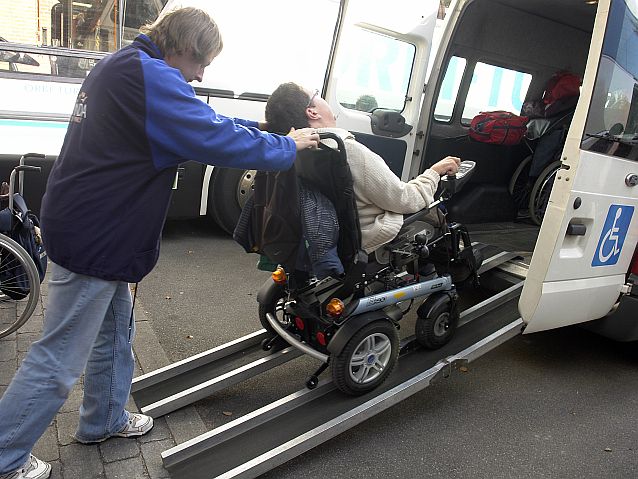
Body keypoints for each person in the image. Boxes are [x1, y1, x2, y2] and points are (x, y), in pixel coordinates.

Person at [0, 9, 319, 479]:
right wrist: (287, 147)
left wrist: (267, 133)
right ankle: (6, 455)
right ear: (184, 47)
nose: (202, 73)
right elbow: (212, 135)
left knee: (114, 334)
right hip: (97, 237)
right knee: (60, 354)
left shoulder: (125, 65)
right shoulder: (148, 76)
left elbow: (204, 118)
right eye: (201, 62)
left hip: (97, 229)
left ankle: (102, 420)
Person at [265, 82, 460, 253]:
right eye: (317, 94)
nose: (323, 98)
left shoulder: (298, 151)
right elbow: (405, 200)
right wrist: (434, 172)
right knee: (434, 210)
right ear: (312, 111)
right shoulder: (347, 150)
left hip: (331, 232)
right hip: (367, 235)